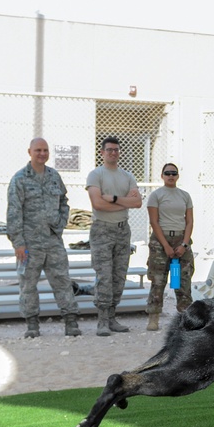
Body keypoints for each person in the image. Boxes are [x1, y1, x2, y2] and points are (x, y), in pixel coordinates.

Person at [6, 137, 81, 338]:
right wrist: (18, 243)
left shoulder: (54, 176)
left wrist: (60, 223)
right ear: (29, 152)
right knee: (28, 284)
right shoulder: (19, 179)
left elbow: (64, 202)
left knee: (62, 281)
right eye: (38, 150)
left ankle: (71, 321)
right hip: (29, 243)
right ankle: (32, 324)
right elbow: (14, 212)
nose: (42, 153)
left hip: (53, 241)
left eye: (45, 150)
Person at [85, 136, 142, 336]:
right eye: (109, 150)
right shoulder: (96, 175)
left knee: (119, 275)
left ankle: (112, 317)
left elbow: (137, 203)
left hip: (122, 230)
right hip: (102, 229)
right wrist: (124, 202)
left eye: (116, 150)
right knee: (104, 276)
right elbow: (97, 204)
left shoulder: (127, 176)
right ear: (102, 152)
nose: (113, 153)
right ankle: (102, 320)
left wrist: (116, 198)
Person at [145, 162, 194, 331]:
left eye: (174, 173)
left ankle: (185, 318)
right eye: (167, 173)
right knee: (158, 280)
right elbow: (154, 221)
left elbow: (189, 221)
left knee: (183, 280)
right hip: (161, 241)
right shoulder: (156, 195)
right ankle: (154, 316)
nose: (171, 176)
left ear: (178, 176)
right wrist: (165, 245)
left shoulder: (184, 196)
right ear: (162, 175)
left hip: (181, 239)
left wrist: (184, 244)